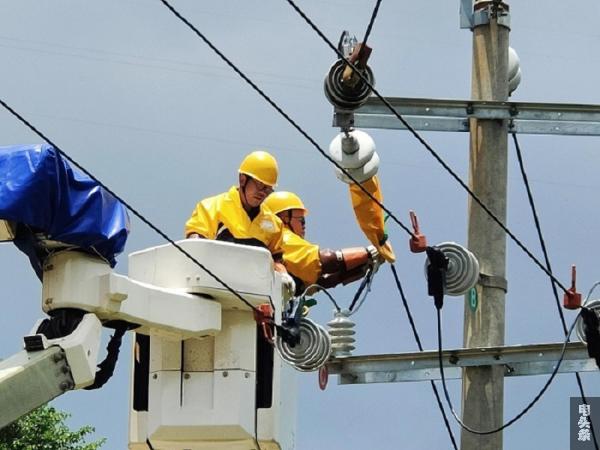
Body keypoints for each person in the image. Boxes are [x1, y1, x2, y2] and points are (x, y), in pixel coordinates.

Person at [263, 191, 380, 294]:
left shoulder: (279, 247)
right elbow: (326, 260)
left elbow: (322, 281)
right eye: (301, 220)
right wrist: (369, 253)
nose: (304, 226)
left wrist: (364, 266)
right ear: (284, 218)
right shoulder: (284, 237)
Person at [185, 150, 287, 268]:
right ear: (242, 179)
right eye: (259, 185)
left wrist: (284, 276)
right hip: (215, 280)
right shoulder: (211, 207)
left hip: (255, 284)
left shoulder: (275, 225)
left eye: (268, 189)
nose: (262, 192)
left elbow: (276, 261)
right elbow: (194, 244)